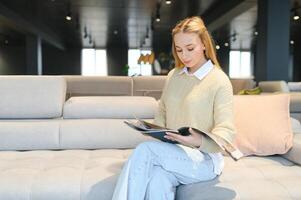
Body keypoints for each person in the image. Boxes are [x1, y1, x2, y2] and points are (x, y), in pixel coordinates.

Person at [112, 16, 236, 200]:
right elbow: (163, 110)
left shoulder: (219, 80)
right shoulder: (174, 75)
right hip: (175, 153)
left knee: (145, 151)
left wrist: (198, 141)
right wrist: (156, 131)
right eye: (179, 50)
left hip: (205, 159)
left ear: (204, 44)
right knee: (156, 181)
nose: (184, 55)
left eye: (190, 48)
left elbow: (226, 131)